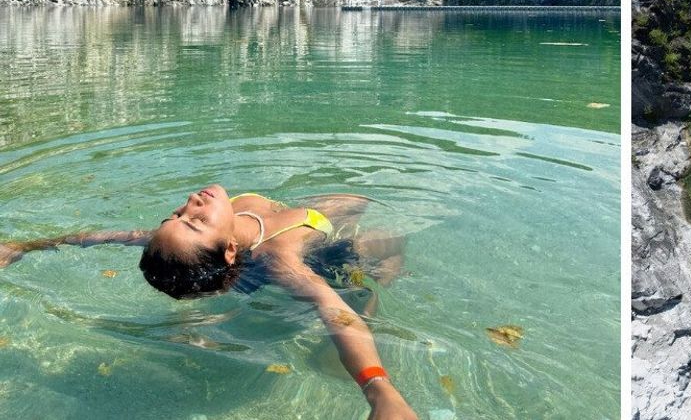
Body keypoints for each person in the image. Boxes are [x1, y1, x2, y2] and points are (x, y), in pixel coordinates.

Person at [0, 185, 419, 420]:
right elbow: (333, 311)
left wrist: (26, 246)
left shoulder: (204, 234)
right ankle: (379, 283)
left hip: (288, 229)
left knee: (354, 199)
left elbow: (112, 236)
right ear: (230, 249)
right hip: (330, 256)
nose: (192, 204)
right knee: (387, 244)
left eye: (177, 215)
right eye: (197, 221)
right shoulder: (282, 259)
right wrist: (378, 389)